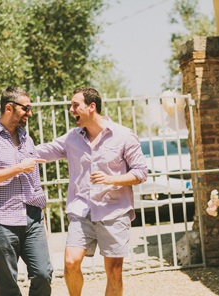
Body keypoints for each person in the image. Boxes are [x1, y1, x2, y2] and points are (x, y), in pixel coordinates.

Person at [36, 87, 147, 296]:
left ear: (91, 106)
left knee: (114, 271)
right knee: (70, 262)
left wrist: (112, 180)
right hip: (81, 211)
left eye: (75, 105)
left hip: (114, 212)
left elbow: (141, 173)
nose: (71, 110)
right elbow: (43, 151)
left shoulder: (123, 135)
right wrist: (12, 149)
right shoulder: (71, 138)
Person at [0, 87, 53, 296]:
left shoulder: (27, 139)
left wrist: (42, 219)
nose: (30, 113)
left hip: (32, 218)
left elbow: (35, 182)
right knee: (8, 285)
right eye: (26, 108)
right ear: (9, 108)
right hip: (1, 219)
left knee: (44, 274)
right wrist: (19, 168)